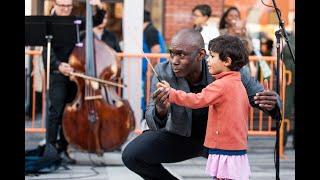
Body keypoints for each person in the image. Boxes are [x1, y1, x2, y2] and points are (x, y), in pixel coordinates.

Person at [122, 28, 281, 179]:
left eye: (181, 55)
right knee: (131, 155)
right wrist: (160, 110)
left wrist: (273, 103)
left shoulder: (227, 70)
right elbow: (151, 118)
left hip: (219, 140)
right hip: (179, 136)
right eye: (172, 54)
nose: (174, 61)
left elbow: (259, 95)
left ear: (200, 55)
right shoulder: (162, 71)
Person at [157, 35, 251, 179]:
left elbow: (196, 100)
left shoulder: (221, 85)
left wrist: (171, 93)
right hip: (237, 146)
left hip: (224, 147)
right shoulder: (237, 83)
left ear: (227, 61)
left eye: (212, 56)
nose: (207, 60)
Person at [42, 0, 76, 164]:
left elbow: (97, 19)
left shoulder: (74, 21)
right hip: (57, 74)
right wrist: (58, 65)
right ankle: (50, 149)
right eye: (62, 6)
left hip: (74, 74)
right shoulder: (48, 23)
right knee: (55, 113)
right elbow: (46, 50)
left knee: (69, 114)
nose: (65, 9)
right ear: (54, 5)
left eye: (68, 6)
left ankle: (64, 148)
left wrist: (98, 6)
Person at [141, 10, 167, 119]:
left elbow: (156, 50)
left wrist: (150, 71)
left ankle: (149, 120)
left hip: (152, 72)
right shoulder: (149, 29)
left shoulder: (150, 30)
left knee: (149, 98)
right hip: (151, 71)